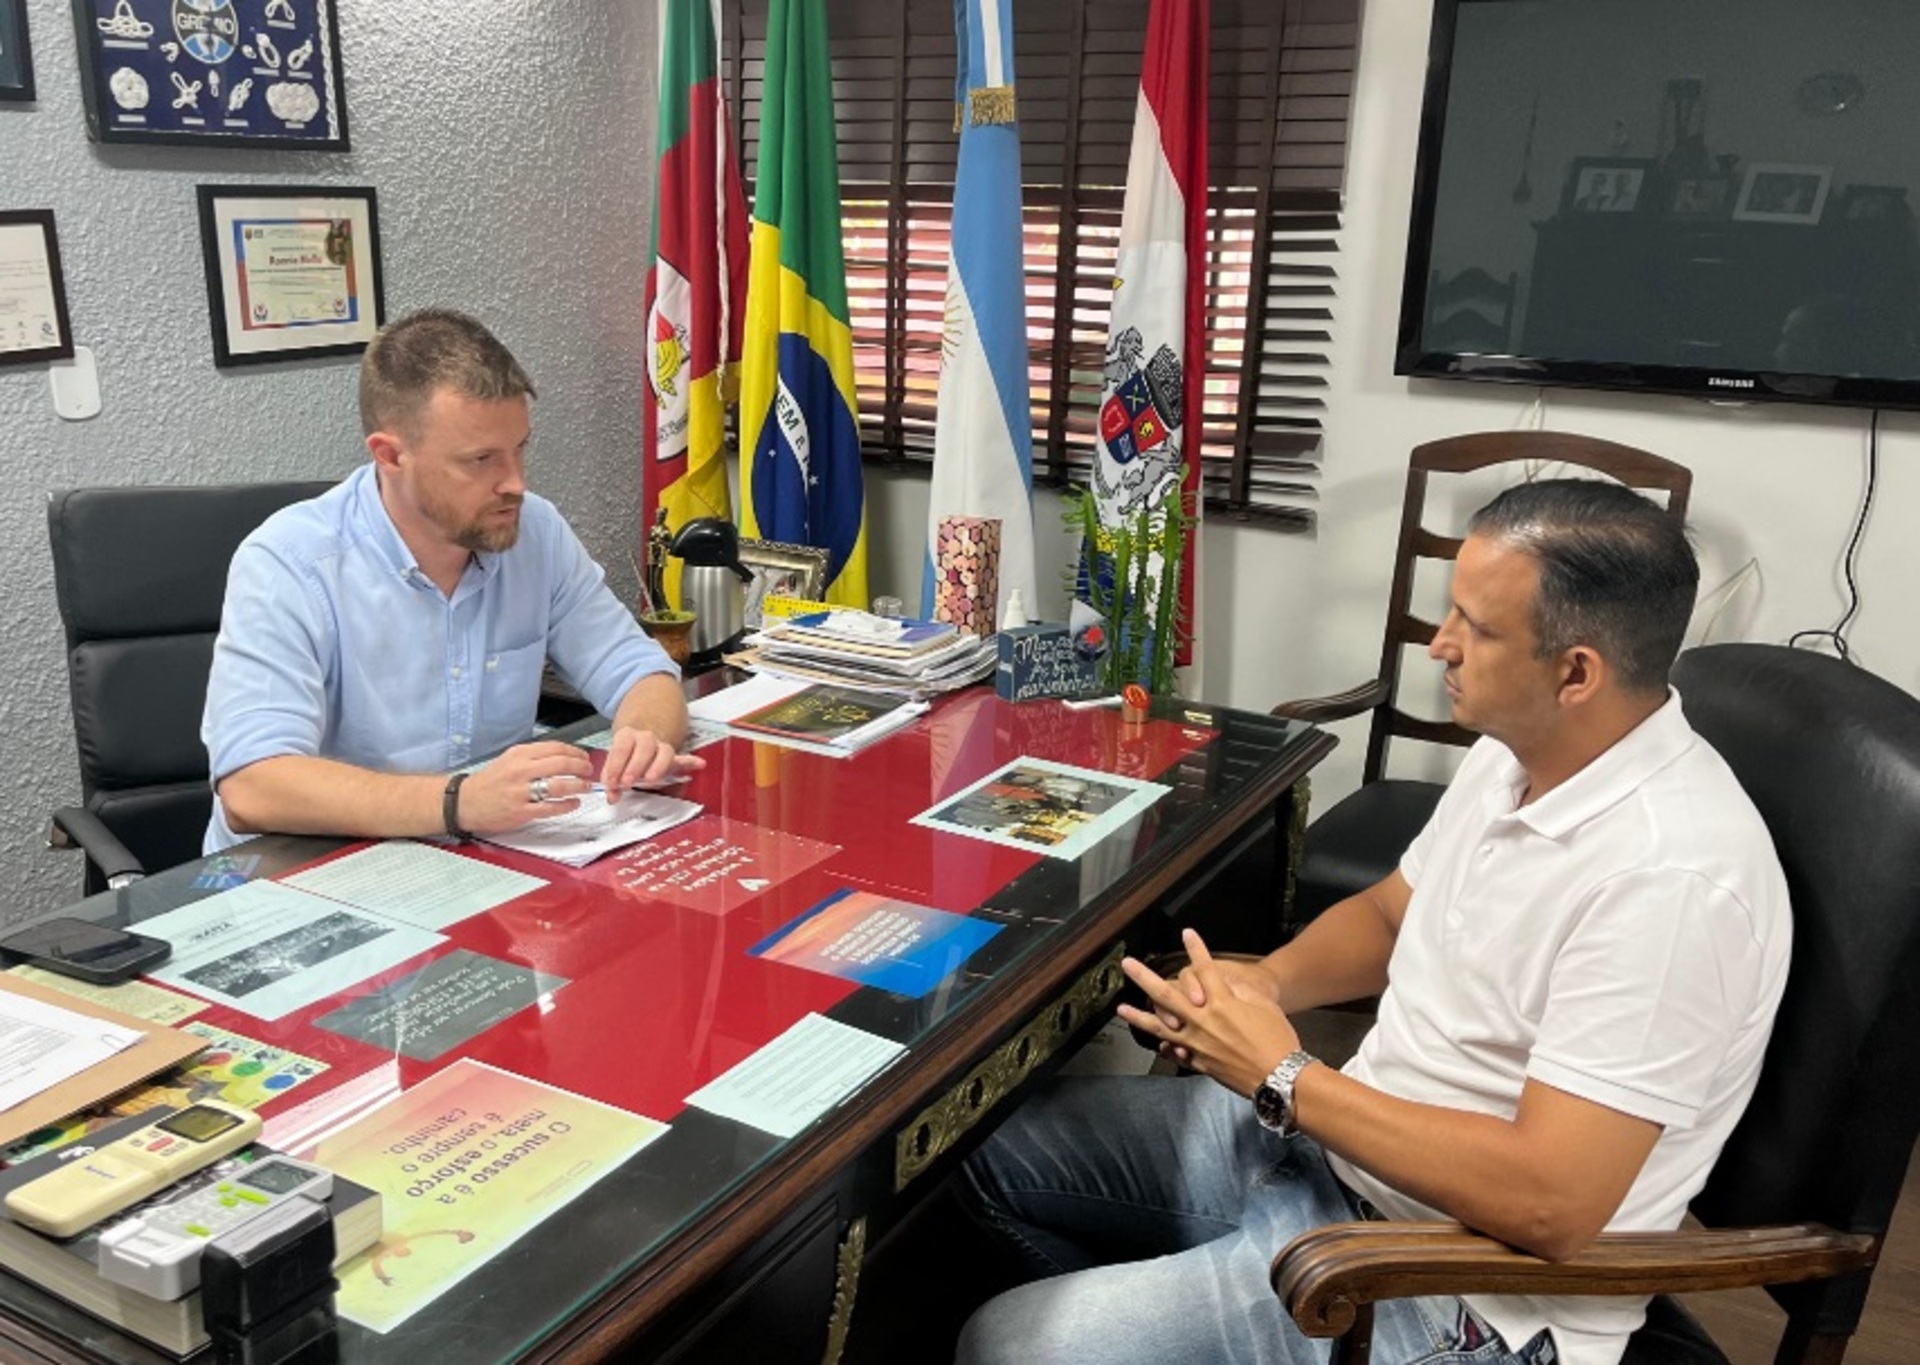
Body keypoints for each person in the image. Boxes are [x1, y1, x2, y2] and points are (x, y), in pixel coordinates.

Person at [956, 479, 1791, 1365]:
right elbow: (1395, 916)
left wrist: (1283, 1073)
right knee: (971, 1149)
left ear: (1575, 671)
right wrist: (1267, 982)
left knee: (1009, 1344)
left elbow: (1553, 1201)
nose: (1441, 645)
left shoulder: (1675, 877)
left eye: (1476, 626)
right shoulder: (1522, 751)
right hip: (1336, 1155)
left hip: (1455, 1287)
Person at [202, 308, 701, 853]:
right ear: (390, 456)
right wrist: (458, 802)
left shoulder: (535, 532)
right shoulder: (290, 563)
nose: (515, 483)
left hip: (480, 858)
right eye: (481, 459)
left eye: (520, 449)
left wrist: (645, 736)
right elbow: (252, 786)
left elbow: (641, 671)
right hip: (310, 868)